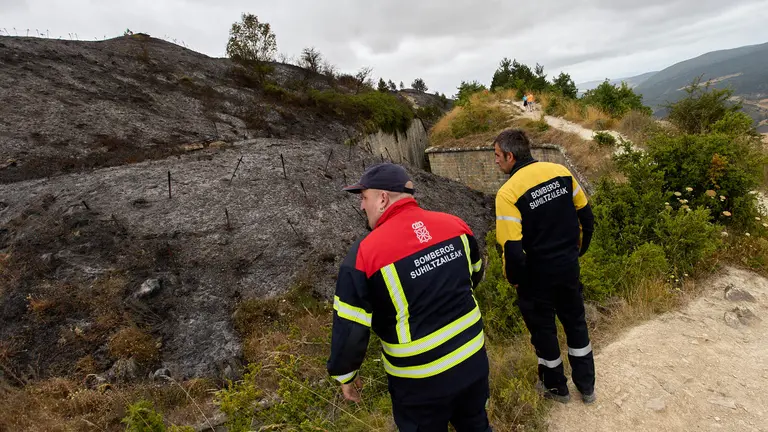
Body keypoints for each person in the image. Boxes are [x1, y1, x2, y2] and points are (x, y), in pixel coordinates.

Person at [327, 162, 492, 431]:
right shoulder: (456, 225)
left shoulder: (365, 254)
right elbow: (474, 276)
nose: (361, 206)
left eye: (364, 197)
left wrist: (346, 374)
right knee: (476, 425)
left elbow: (351, 326)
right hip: (472, 358)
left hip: (420, 381)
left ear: (382, 199)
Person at [492, 129, 596, 404]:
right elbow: (586, 215)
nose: (496, 162)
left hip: (536, 278)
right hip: (568, 268)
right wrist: (579, 252)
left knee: (544, 332)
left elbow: (512, 250)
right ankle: (586, 386)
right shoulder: (560, 171)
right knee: (576, 323)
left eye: (497, 156)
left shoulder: (508, 193)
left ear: (511, 156)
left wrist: (516, 280)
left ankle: (556, 388)